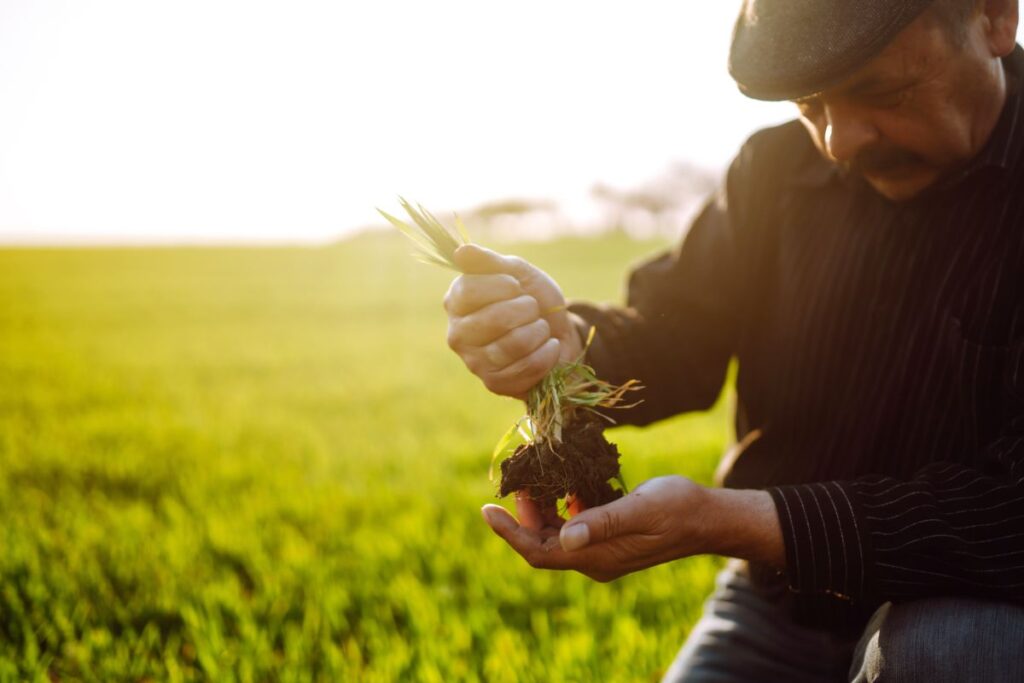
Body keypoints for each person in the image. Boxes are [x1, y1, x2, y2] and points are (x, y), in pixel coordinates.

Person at [445, 0, 1024, 680]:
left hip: (968, 609)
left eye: (879, 90)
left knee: (947, 649)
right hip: (776, 607)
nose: (838, 141)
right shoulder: (775, 171)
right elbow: (680, 331)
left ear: (993, 17)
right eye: (811, 102)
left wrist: (730, 519)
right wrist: (560, 345)